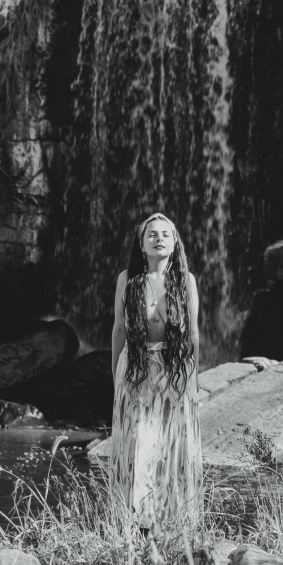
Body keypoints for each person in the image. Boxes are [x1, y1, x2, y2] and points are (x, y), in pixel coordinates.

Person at [109, 212, 203, 529]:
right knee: (138, 443)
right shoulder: (128, 279)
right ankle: (136, 522)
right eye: (152, 234)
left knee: (173, 443)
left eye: (165, 233)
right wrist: (114, 377)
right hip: (135, 368)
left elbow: (193, 333)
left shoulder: (185, 281)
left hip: (174, 369)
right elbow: (118, 331)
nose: (158, 238)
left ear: (175, 243)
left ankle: (172, 521)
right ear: (142, 244)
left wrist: (194, 380)